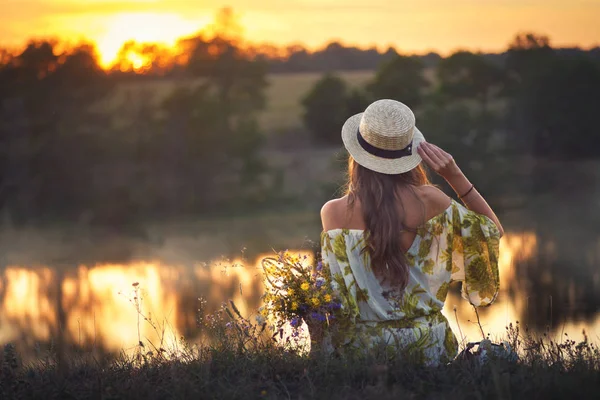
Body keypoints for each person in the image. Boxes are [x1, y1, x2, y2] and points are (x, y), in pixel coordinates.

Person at [319, 99, 504, 365]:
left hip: (363, 351)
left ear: (357, 155)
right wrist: (455, 175)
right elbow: (492, 233)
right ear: (408, 155)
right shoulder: (430, 200)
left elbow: (334, 298)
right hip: (427, 344)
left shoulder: (332, 212)